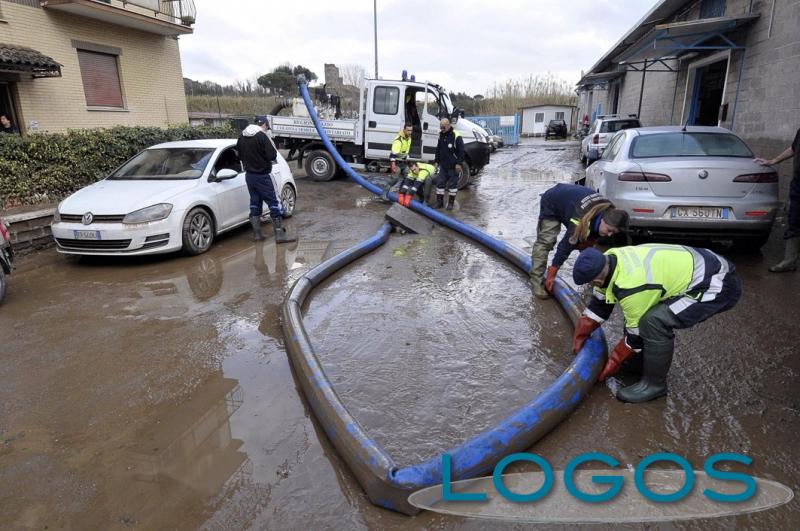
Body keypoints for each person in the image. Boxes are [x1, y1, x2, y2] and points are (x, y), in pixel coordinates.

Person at [570, 244, 741, 403]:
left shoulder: (632, 285)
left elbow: (634, 334)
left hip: (717, 283)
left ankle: (654, 385)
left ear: (596, 279)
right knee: (638, 317)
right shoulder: (607, 260)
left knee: (653, 321)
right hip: (702, 265)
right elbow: (600, 304)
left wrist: (614, 361)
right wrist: (583, 331)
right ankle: (637, 364)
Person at [530, 183, 629, 299]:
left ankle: (594, 279)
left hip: (573, 201)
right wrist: (552, 273)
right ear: (602, 220)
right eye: (609, 230)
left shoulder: (612, 214)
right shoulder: (579, 220)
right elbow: (564, 247)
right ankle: (536, 283)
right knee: (546, 242)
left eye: (613, 232)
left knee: (588, 245)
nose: (610, 234)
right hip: (554, 200)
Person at [237, 116, 296, 243]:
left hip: (249, 176)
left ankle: (257, 235)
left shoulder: (241, 137)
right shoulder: (261, 136)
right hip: (263, 176)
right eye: (266, 127)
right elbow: (272, 155)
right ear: (263, 124)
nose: (266, 129)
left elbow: (240, 156)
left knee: (255, 202)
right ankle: (280, 235)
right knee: (274, 203)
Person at [754, 127, 800, 272]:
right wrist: (773, 161)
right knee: (794, 221)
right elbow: (793, 149)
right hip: (798, 186)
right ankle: (789, 261)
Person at [434, 118, 465, 211]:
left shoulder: (456, 135)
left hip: (453, 166)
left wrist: (459, 164)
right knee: (440, 184)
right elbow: (438, 149)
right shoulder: (441, 135)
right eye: (440, 127)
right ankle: (439, 203)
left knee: (452, 185)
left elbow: (461, 151)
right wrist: (436, 161)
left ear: (448, 125)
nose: (441, 129)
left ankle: (451, 204)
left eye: (443, 127)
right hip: (443, 166)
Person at [380, 123, 413, 201]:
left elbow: (406, 152)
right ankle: (383, 194)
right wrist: (393, 165)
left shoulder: (409, 138)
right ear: (404, 130)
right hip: (396, 162)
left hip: (403, 162)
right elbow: (393, 154)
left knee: (408, 178)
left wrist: (409, 164)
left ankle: (401, 194)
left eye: (411, 130)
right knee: (394, 179)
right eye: (408, 130)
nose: (410, 132)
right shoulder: (398, 140)